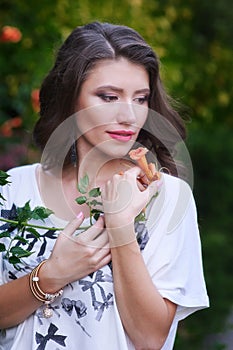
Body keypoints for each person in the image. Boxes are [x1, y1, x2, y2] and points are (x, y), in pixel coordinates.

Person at [0, 21, 209, 350]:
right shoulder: (11, 189)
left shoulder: (166, 198)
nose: (129, 115)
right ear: (71, 99)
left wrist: (121, 225)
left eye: (140, 99)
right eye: (109, 96)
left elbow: (150, 337)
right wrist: (52, 275)